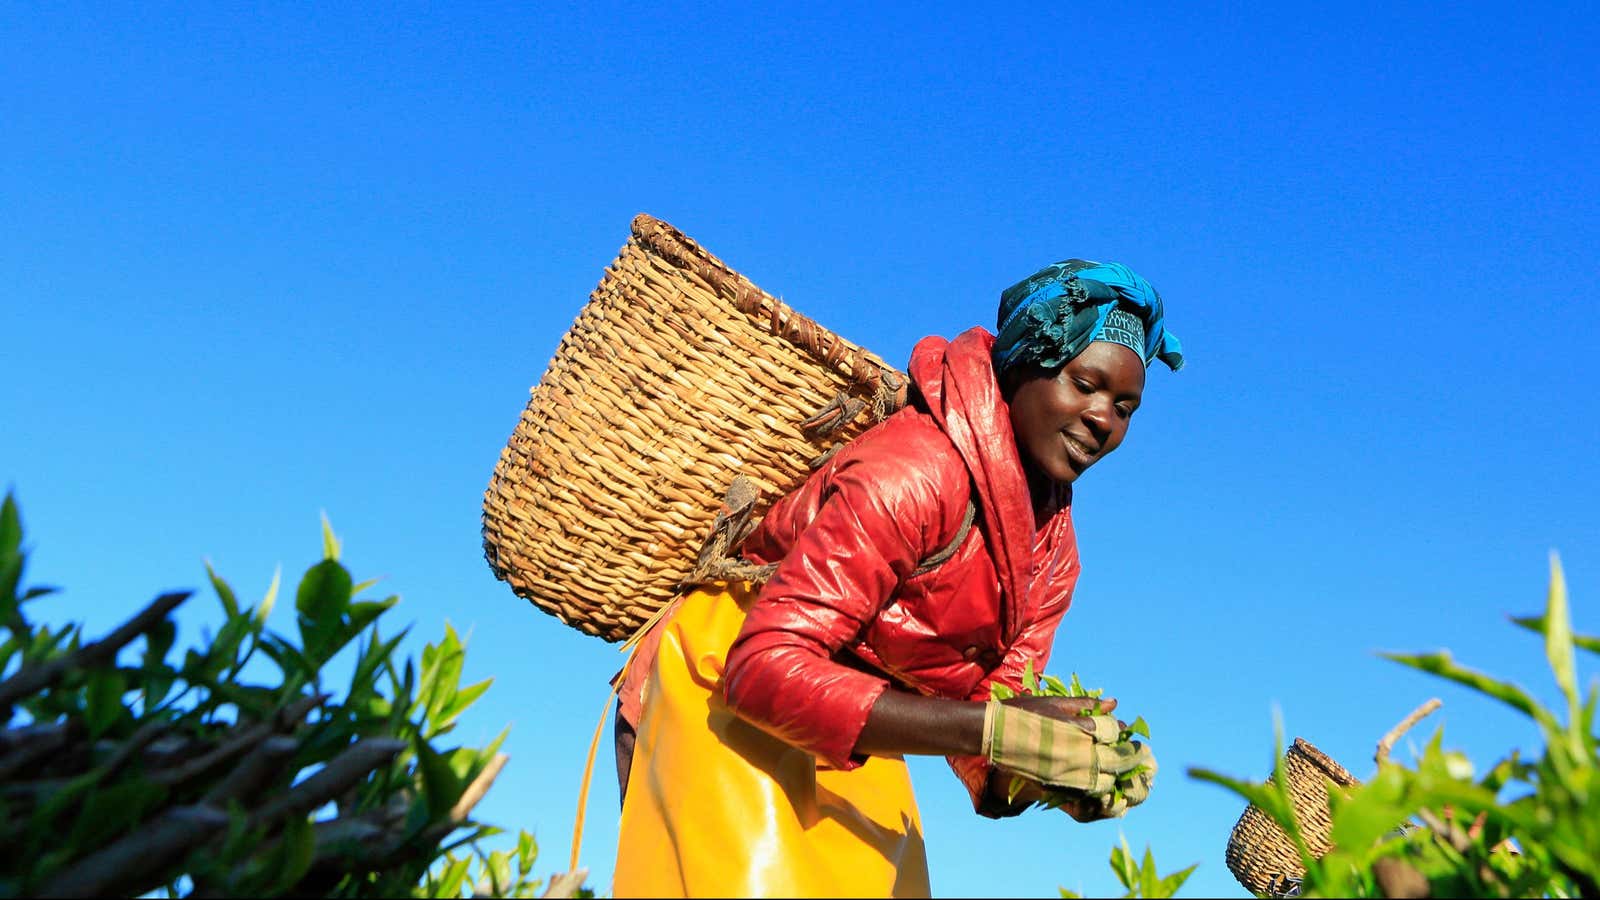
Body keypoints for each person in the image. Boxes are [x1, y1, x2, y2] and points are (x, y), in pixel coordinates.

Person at [609, 258, 1184, 898]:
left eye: (1124, 406)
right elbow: (762, 668)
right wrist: (992, 731)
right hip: (729, 684)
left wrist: (1044, 772)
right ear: (1024, 364)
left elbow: (983, 720)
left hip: (855, 726)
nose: (1104, 417)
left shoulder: (1052, 559)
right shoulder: (915, 472)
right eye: (1085, 384)